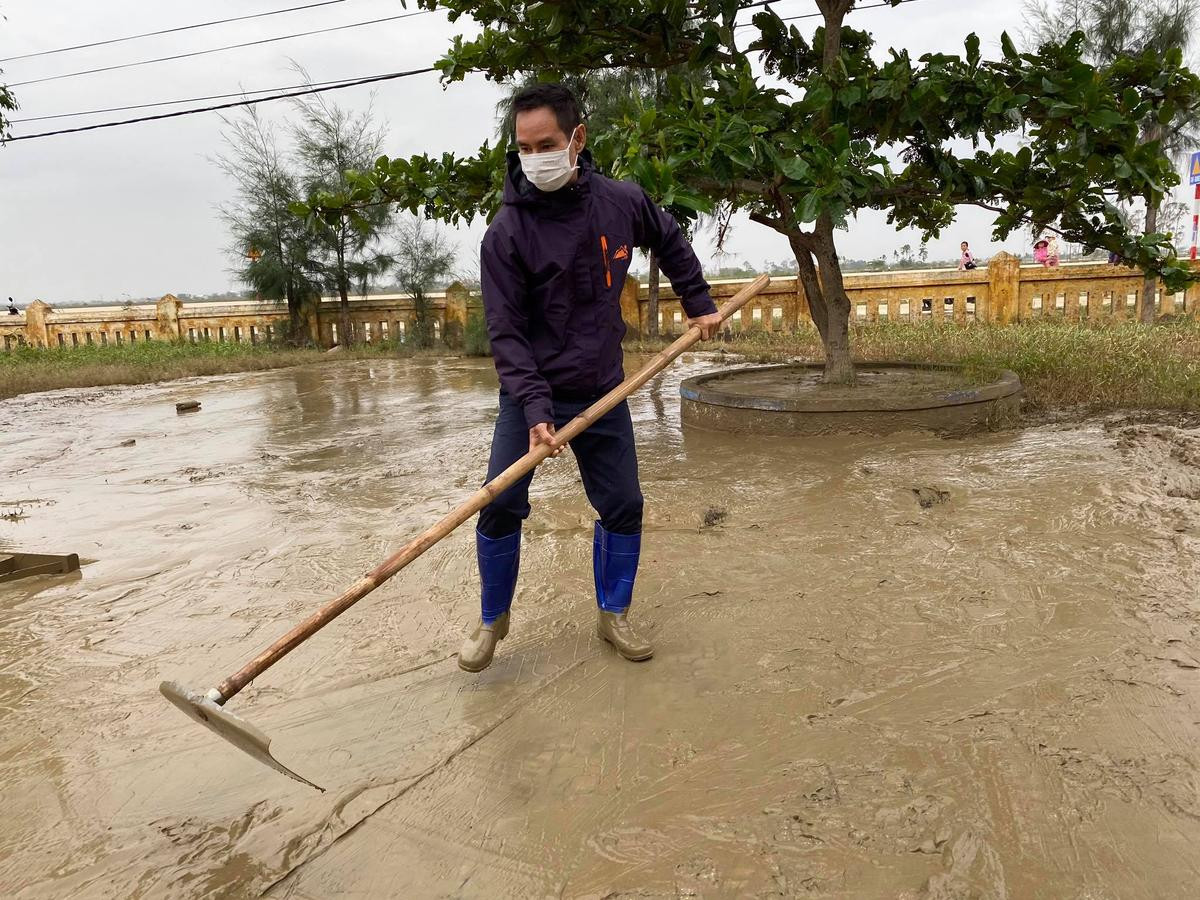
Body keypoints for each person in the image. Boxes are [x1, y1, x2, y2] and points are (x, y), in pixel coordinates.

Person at [460, 83, 722, 672]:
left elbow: (670, 237)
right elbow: (506, 334)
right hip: (531, 394)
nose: (534, 158)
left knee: (624, 503)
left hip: (604, 390)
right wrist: (533, 410)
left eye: (546, 143)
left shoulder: (620, 202)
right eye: (524, 147)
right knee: (500, 504)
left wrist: (697, 300)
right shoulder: (506, 233)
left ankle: (613, 615)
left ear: (577, 138)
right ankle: (491, 619)